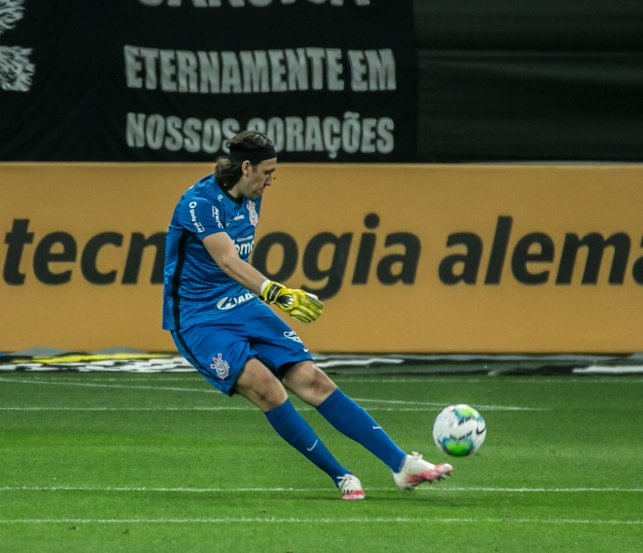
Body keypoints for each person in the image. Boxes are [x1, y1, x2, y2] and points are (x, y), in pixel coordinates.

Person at [161, 130, 452, 500]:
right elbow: (227, 260)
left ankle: (401, 465)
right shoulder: (198, 203)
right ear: (245, 167)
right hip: (197, 316)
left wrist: (265, 294)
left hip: (239, 303)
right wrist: (275, 292)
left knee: (312, 379)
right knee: (267, 388)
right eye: (267, 172)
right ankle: (340, 474)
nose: (271, 180)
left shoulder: (252, 197)